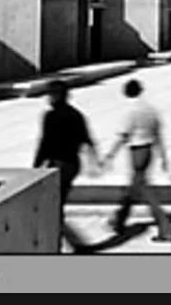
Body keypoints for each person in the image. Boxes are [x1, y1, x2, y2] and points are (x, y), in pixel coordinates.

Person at [101, 78, 171, 242]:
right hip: (149, 150)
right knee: (133, 189)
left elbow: (123, 135)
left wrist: (110, 155)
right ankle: (119, 221)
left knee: (144, 190)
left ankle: (166, 229)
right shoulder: (151, 110)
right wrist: (163, 156)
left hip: (137, 151)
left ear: (126, 92)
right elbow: (158, 135)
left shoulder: (131, 110)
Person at [33, 79, 103, 252]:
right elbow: (87, 139)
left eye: (50, 94)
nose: (48, 98)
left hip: (59, 165)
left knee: (54, 206)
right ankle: (64, 242)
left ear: (56, 96)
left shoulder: (50, 116)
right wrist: (95, 161)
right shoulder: (76, 115)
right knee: (58, 203)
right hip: (72, 164)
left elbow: (45, 143)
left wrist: (35, 166)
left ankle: (57, 244)